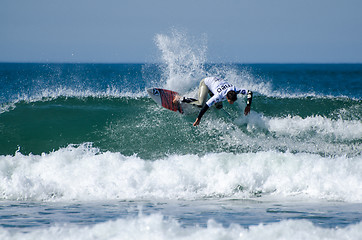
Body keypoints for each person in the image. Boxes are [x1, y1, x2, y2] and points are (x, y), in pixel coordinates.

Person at [174, 77, 253, 126]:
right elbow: (206, 105)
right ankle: (180, 98)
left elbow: (250, 92)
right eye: (230, 101)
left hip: (215, 84)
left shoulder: (235, 90)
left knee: (219, 106)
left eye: (233, 101)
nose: (232, 103)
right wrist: (199, 118)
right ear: (226, 97)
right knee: (201, 104)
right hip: (206, 83)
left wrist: (248, 105)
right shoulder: (219, 95)